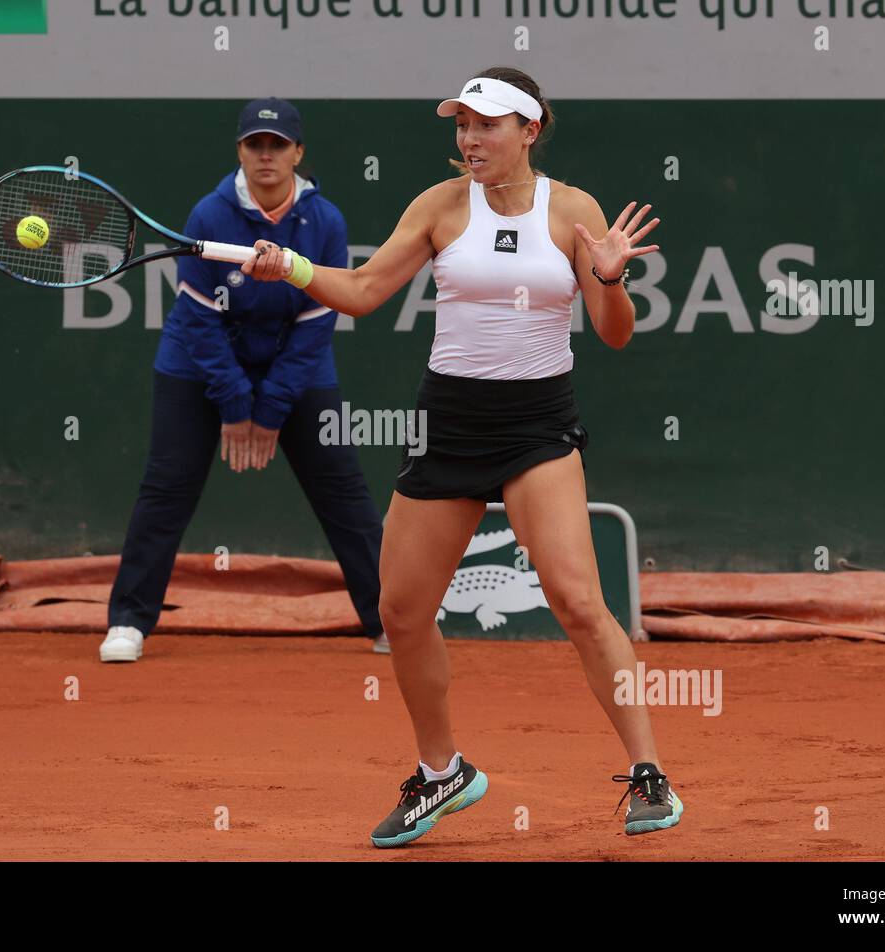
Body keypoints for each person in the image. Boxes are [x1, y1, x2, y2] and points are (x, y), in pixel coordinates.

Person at [243, 68, 682, 845]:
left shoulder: (571, 211)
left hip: (538, 428)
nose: (470, 140)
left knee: (579, 602)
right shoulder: (441, 206)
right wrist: (295, 269)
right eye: (462, 126)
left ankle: (649, 772)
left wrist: (609, 279)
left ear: (530, 130)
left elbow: (616, 332)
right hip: (450, 423)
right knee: (402, 610)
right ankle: (443, 773)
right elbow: (367, 291)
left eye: (487, 126)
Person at [101, 97, 388, 663]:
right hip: (199, 364)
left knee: (343, 489)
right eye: (254, 145)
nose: (266, 156)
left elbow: (316, 323)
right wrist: (235, 404)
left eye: (277, 145)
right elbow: (199, 320)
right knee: (166, 489)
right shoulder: (209, 214)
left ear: (297, 153)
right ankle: (128, 622)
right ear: (240, 151)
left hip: (296, 365)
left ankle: (390, 618)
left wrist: (272, 406)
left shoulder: (324, 222)